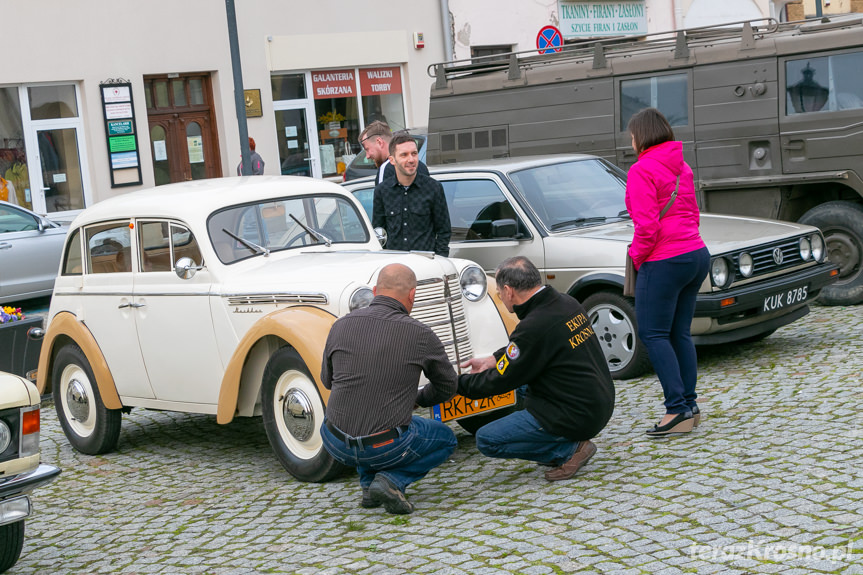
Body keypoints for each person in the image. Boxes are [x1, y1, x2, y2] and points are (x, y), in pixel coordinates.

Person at [457, 256, 615, 481]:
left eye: (500, 293)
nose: (501, 298)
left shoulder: (534, 325)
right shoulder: (564, 302)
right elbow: (530, 349)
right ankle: (553, 440)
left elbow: (500, 380)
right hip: (597, 399)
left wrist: (455, 385)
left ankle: (569, 450)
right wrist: (493, 359)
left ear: (509, 291)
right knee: (521, 389)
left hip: (576, 414)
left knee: (487, 439)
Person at [320, 263, 458, 514]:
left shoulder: (340, 325)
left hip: (334, 442)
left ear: (375, 291)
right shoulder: (420, 334)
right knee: (446, 440)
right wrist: (418, 399)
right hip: (386, 445)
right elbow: (448, 387)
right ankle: (391, 481)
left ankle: (368, 488)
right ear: (412, 295)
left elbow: (328, 381)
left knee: (365, 409)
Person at [625, 108, 710, 436]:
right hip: (695, 253)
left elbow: (647, 226)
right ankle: (689, 404)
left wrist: (636, 255)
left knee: (653, 334)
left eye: (632, 135)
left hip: (664, 259)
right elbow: (692, 212)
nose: (631, 141)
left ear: (641, 135)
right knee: (679, 332)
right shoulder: (682, 166)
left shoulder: (641, 169)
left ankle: (676, 410)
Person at [371, 132, 451, 256]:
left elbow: (444, 231)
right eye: (404, 155)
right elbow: (379, 232)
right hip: (395, 265)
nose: (411, 159)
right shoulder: (382, 191)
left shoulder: (433, 188)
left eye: (414, 153)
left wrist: (439, 260)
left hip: (426, 265)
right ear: (392, 160)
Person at [358, 121, 429, 185]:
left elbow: (383, 198)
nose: (367, 156)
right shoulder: (421, 166)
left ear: (379, 142)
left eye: (367, 149)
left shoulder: (385, 169)